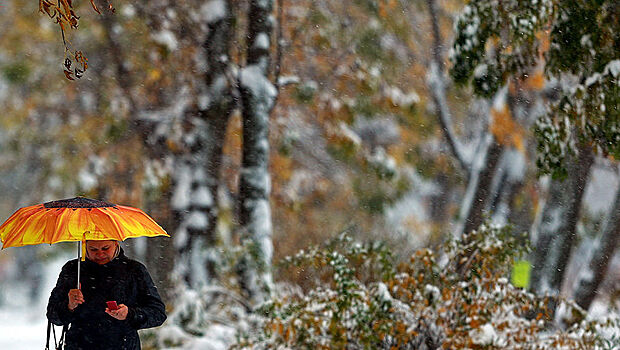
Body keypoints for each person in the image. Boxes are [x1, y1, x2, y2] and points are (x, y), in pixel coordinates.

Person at [47, 240, 167, 350]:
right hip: (79, 345)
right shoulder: (73, 269)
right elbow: (53, 315)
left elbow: (158, 313)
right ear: (84, 246)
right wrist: (69, 306)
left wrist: (130, 314)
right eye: (93, 249)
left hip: (123, 345)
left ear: (116, 244)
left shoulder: (134, 270)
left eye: (105, 248)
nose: (100, 254)